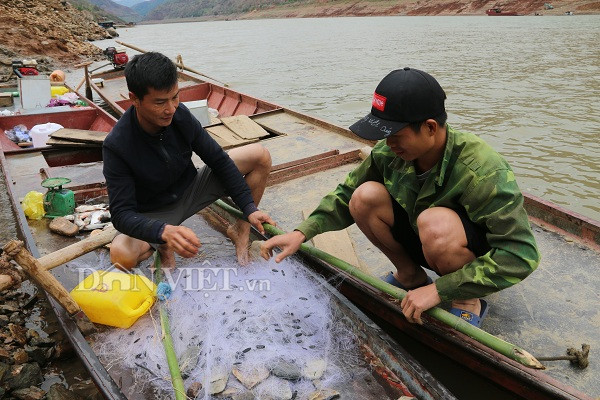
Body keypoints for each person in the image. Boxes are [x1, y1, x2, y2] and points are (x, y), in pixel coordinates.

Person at [261, 67, 540, 327]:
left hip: (464, 250)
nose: (386, 142)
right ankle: (410, 275)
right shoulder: (390, 152)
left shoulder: (482, 169)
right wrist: (301, 233)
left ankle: (466, 298)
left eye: (395, 134)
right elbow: (346, 194)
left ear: (430, 128)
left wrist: (439, 290)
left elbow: (520, 254)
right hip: (425, 238)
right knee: (363, 196)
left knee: (435, 223)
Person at [103, 52, 275, 269]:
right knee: (121, 255)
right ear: (134, 99)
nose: (170, 109)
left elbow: (219, 160)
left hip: (191, 191)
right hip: (154, 213)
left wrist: (249, 208)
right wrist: (162, 230)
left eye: (175, 97)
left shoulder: (180, 115)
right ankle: (163, 246)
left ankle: (240, 231)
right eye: (160, 102)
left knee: (259, 156)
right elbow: (121, 214)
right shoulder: (117, 145)